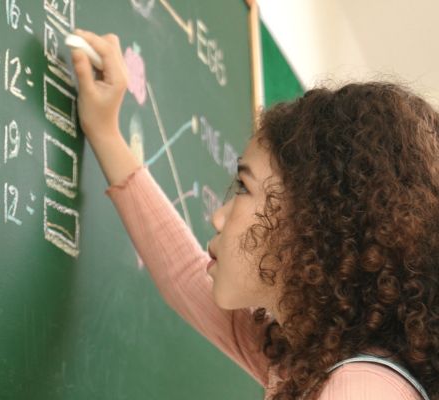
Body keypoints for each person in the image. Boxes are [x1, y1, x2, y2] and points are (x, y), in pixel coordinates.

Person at [69, 29, 439, 399]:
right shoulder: (305, 365)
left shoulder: (359, 390)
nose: (218, 217)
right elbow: (182, 273)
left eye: (244, 188)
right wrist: (105, 132)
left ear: (311, 222)